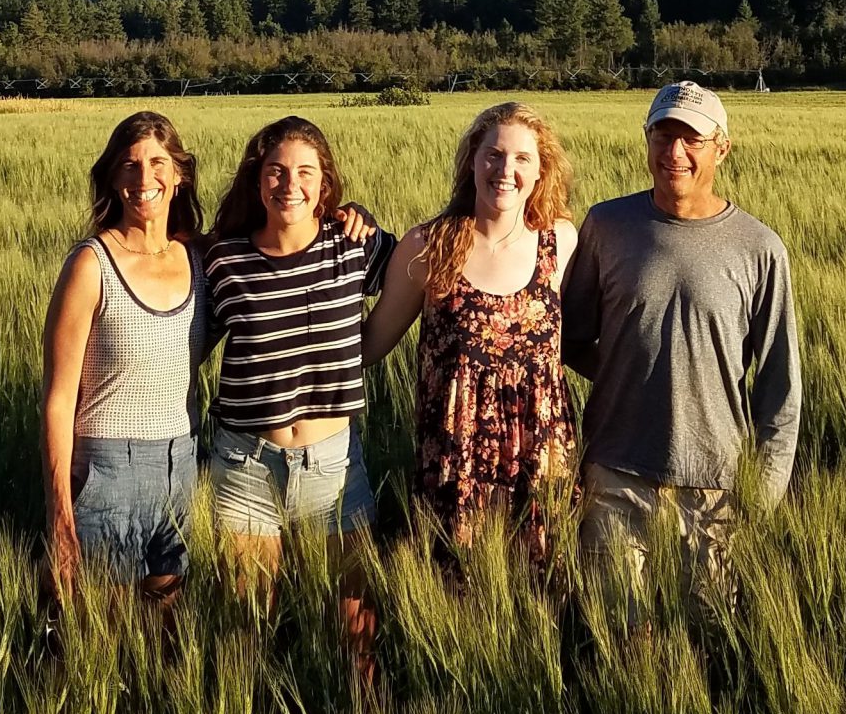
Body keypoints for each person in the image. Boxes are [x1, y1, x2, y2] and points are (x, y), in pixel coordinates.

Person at [560, 81, 801, 607]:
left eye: (691, 139)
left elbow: (781, 384)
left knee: (708, 638)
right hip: (615, 474)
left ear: (722, 147)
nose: (675, 153)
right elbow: (569, 336)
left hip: (715, 485)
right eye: (662, 135)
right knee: (620, 637)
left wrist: (762, 492)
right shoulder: (606, 225)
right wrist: (631, 370)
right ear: (645, 139)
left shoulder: (760, 248)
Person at [202, 116, 393, 667]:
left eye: (306, 172)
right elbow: (183, 341)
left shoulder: (358, 247)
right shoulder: (223, 259)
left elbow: (425, 269)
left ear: (325, 184)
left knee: (356, 628)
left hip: (334, 469)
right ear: (257, 180)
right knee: (247, 628)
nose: (290, 184)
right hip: (245, 467)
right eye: (277, 171)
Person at [363, 101, 580, 563]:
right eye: (494, 155)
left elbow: (589, 335)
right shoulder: (429, 246)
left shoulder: (561, 242)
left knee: (539, 600)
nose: (506, 170)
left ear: (541, 172)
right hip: (454, 464)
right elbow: (370, 344)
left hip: (540, 462)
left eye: (523, 159)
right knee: (457, 590)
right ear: (472, 162)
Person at [39, 111, 209, 606]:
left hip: (182, 465)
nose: (144, 178)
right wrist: (60, 517)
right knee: (103, 638)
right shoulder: (91, 265)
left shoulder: (198, 257)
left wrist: (348, 216)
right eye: (129, 166)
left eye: (158, 163)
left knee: (165, 632)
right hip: (108, 472)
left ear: (179, 175)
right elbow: (57, 400)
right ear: (113, 178)